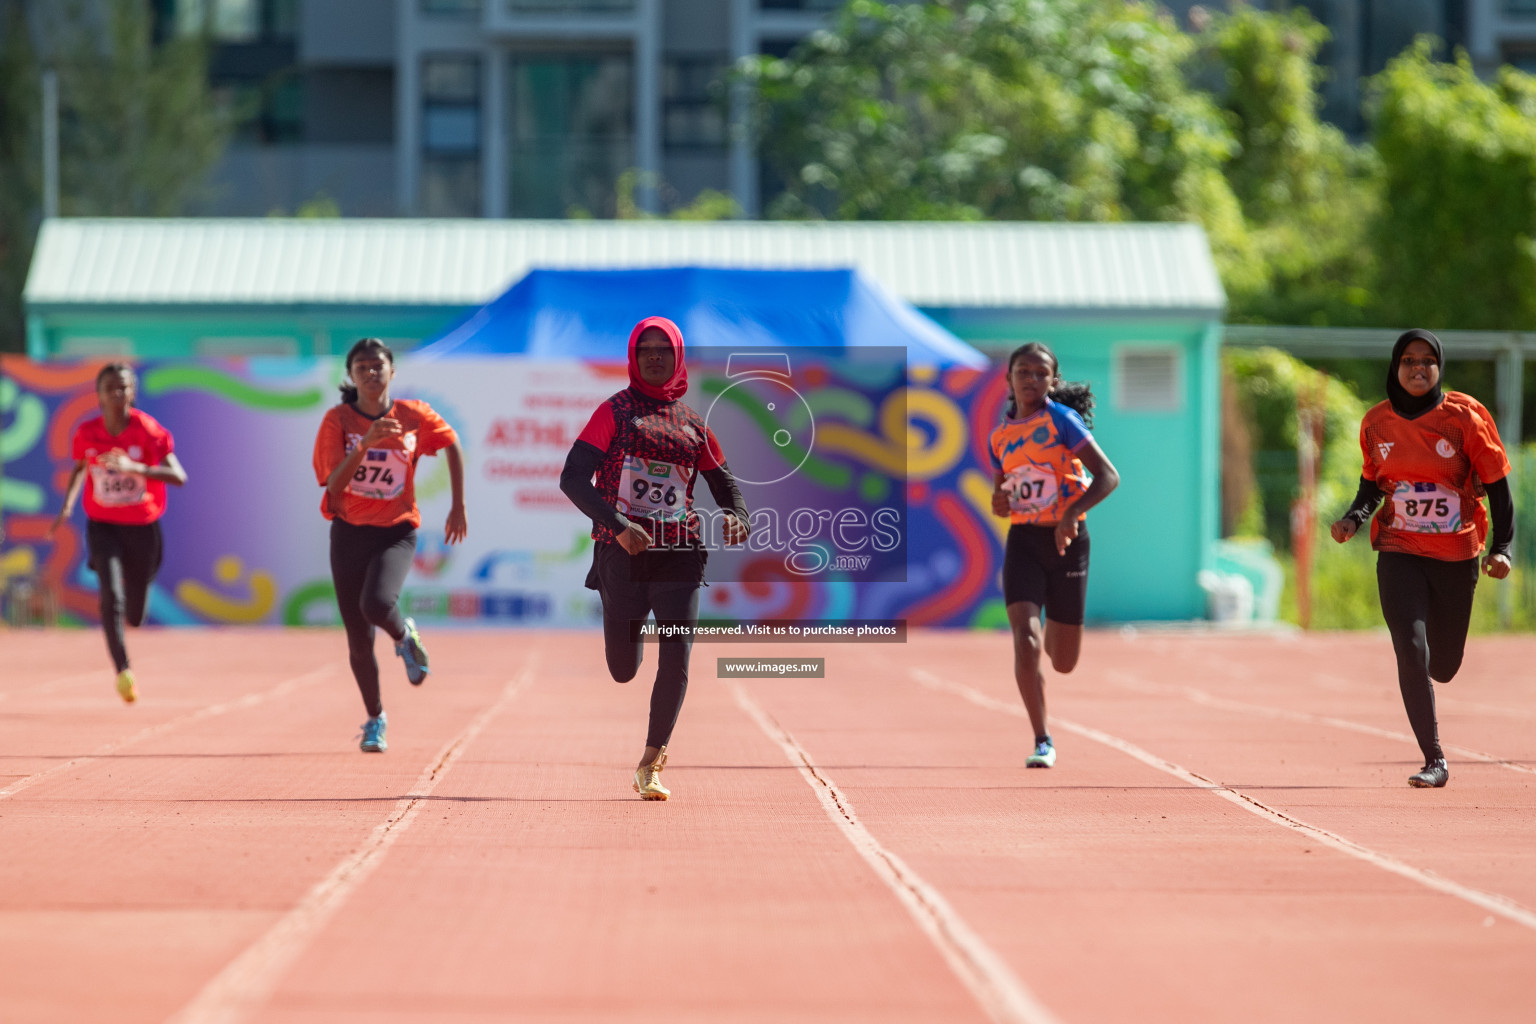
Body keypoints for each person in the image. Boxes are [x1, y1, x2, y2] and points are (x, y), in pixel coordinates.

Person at [560, 316, 750, 800]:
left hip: (680, 554)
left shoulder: (693, 424)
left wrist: (737, 517)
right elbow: (573, 479)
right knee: (623, 668)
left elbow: (727, 487)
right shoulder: (614, 412)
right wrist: (621, 527)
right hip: (620, 552)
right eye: (645, 349)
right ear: (633, 357)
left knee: (677, 657)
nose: (654, 357)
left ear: (678, 357)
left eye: (663, 349)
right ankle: (619, 607)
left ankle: (652, 762)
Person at [1330, 328, 1513, 789]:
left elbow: (1498, 487)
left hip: (1456, 553)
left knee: (1443, 665)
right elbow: (1372, 486)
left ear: (1439, 368)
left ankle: (1433, 663)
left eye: (1426, 361)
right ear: (1395, 367)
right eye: (1408, 360)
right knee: (1410, 650)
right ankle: (1435, 759)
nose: (1417, 368)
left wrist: (1502, 549)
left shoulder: (1464, 418)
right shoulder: (1376, 423)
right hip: (1399, 549)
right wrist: (1353, 519)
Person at [312, 338, 467, 753]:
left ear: (391, 371)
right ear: (351, 376)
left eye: (377, 366)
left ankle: (403, 636)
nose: (370, 373)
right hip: (348, 532)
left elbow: (451, 443)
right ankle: (375, 719)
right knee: (358, 641)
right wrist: (365, 444)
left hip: (395, 531)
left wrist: (458, 506)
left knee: (377, 605)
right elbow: (333, 485)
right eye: (361, 367)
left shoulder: (413, 415)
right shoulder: (338, 421)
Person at [987, 342, 1120, 768]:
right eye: (1023, 372)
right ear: (1009, 378)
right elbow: (1002, 492)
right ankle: (1042, 739)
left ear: (1053, 380)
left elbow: (1107, 476)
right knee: (1025, 642)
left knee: (1062, 662)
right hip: (1024, 542)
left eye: (1041, 373)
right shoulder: (999, 437)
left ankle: (1054, 635)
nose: (1031, 380)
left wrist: (1071, 514)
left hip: (1066, 544)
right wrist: (1001, 504)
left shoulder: (1062, 421)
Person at [50, 363, 188, 703]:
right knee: (110, 595)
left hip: (142, 526)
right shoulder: (87, 433)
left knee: (135, 614)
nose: (117, 394)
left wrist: (134, 467)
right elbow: (80, 469)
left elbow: (179, 476)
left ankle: (134, 602)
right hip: (103, 525)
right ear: (98, 395)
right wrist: (67, 506)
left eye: (123, 387)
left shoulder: (148, 430)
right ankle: (123, 671)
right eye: (110, 387)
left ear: (132, 392)